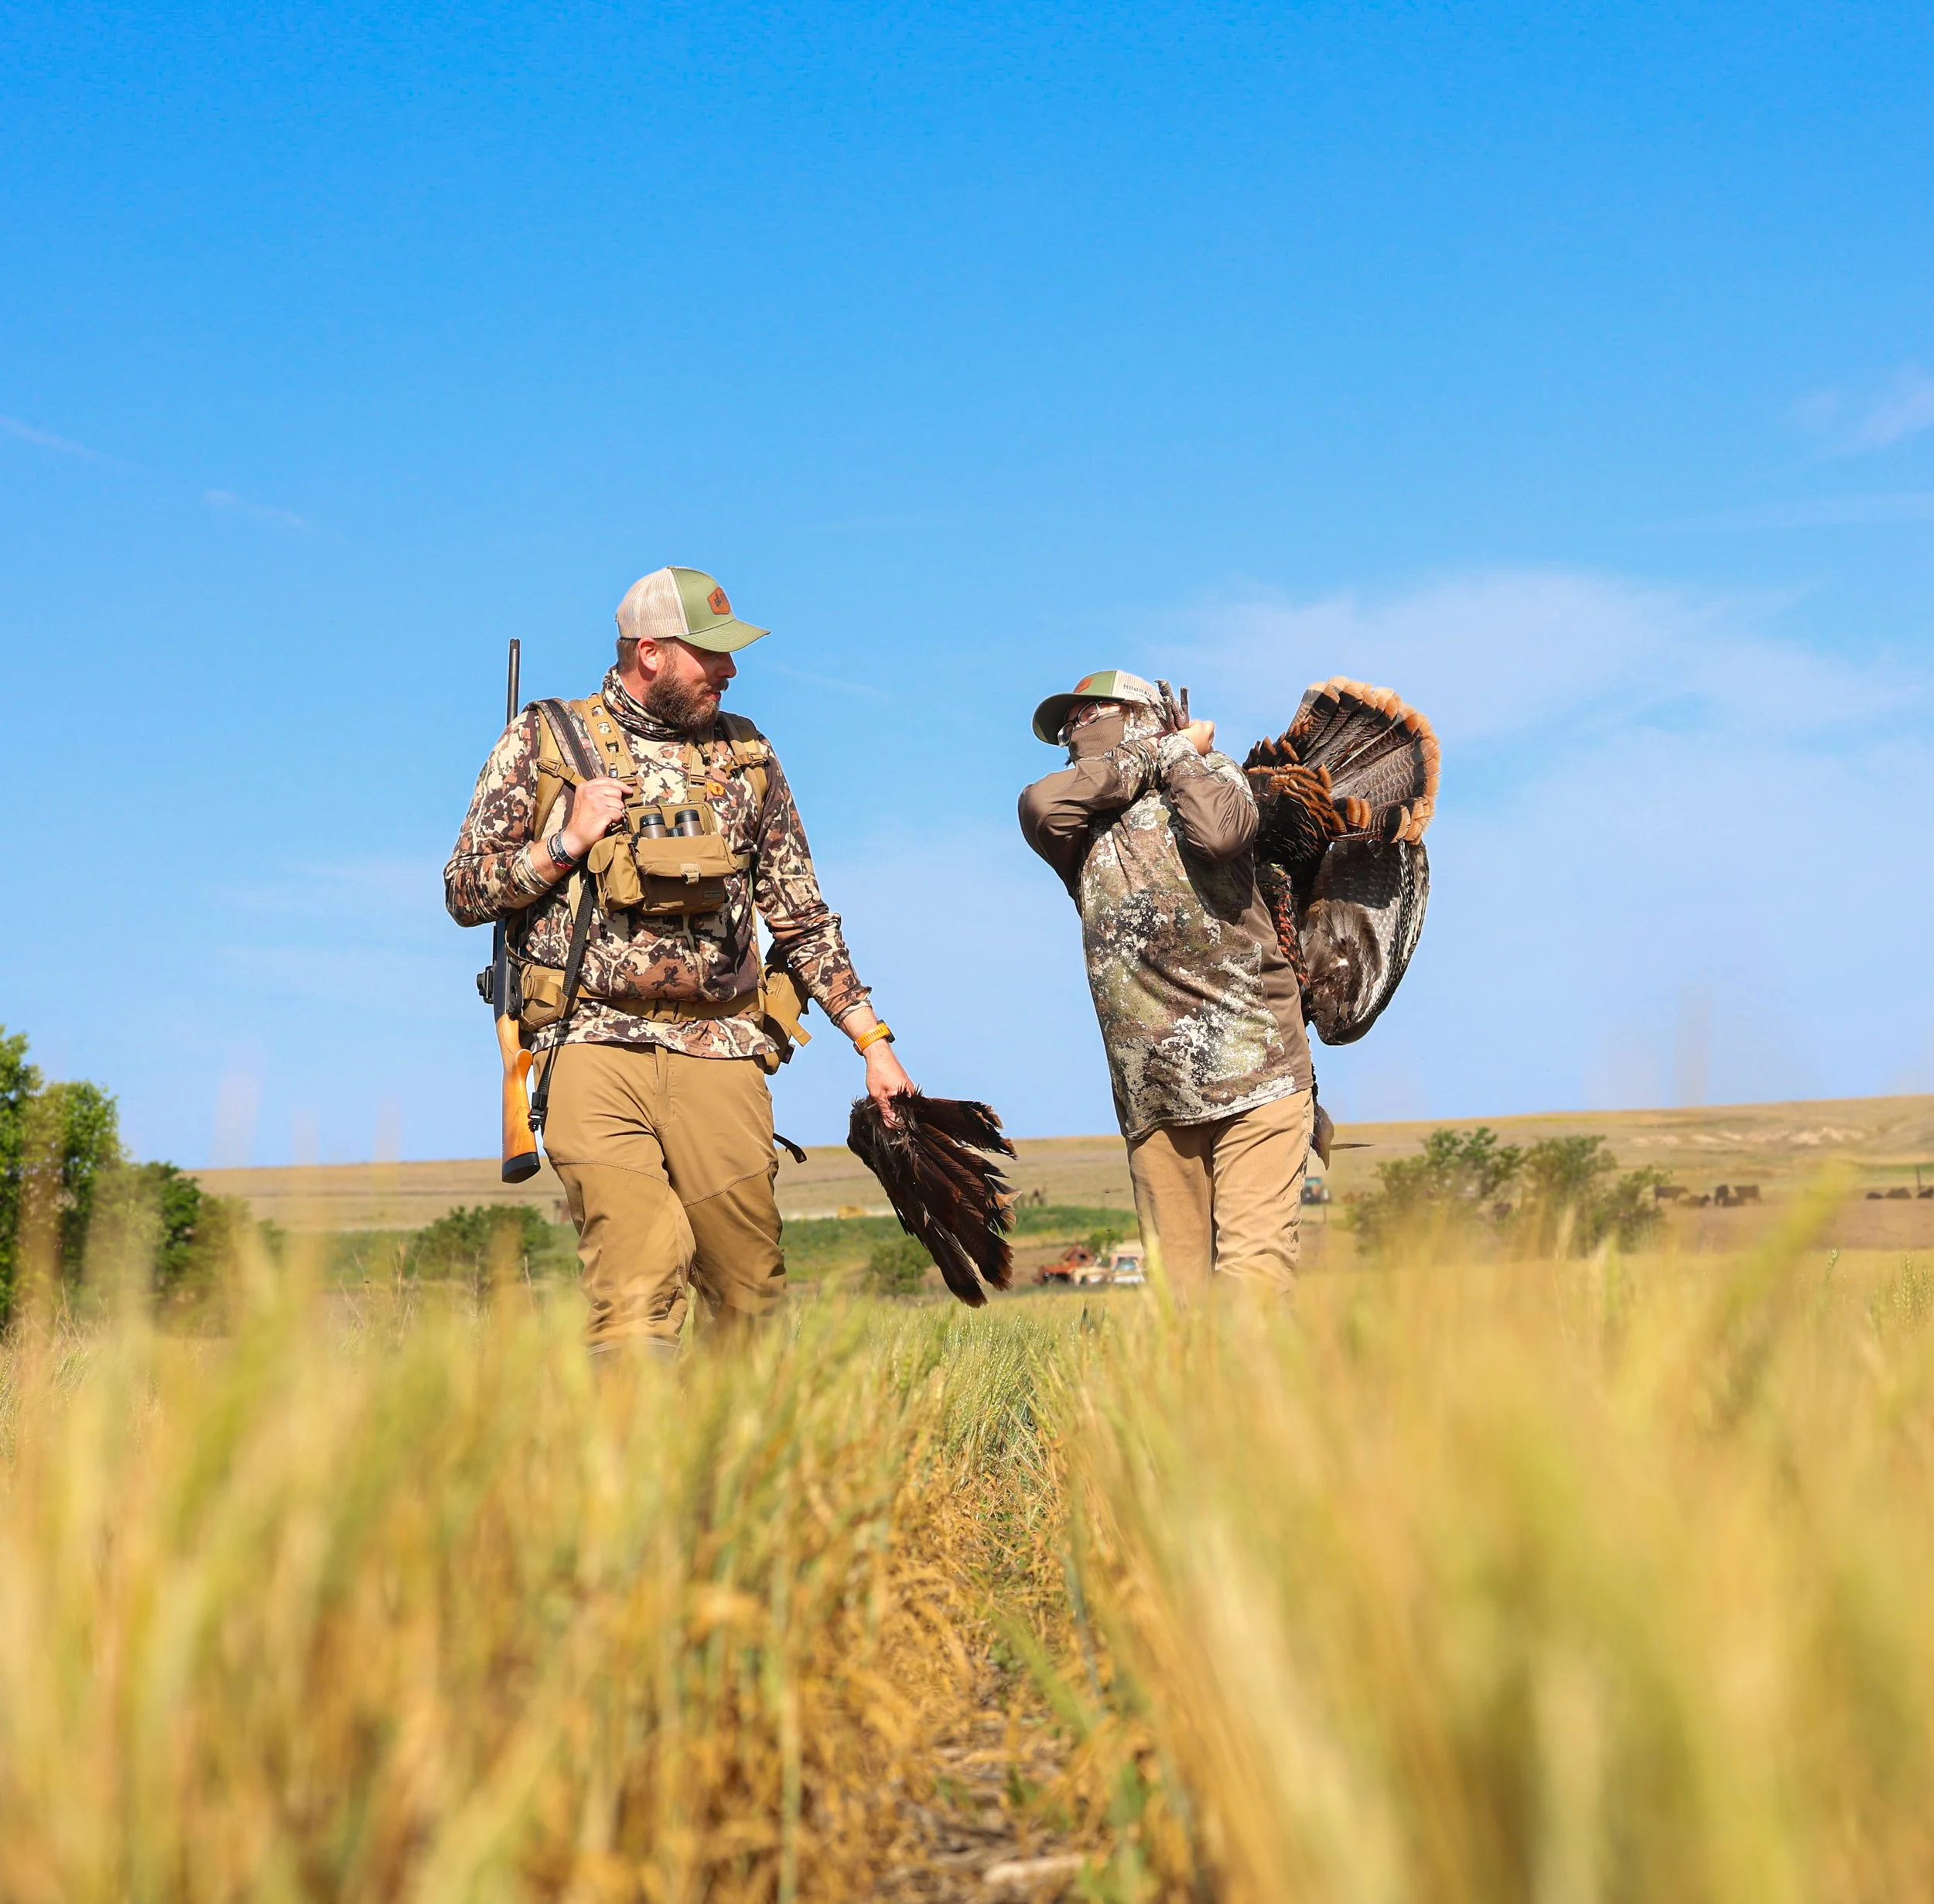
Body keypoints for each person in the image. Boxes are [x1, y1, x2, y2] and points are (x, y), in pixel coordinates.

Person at [446, 566, 912, 1353]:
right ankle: (636, 1473)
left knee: (750, 1295)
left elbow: (800, 916)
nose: (730, 671)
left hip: (723, 1051)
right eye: (712, 655)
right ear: (652, 652)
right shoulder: (546, 740)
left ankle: (731, 1471)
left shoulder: (748, 753)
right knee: (640, 1276)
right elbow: (466, 889)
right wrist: (562, 844)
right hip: (589, 1044)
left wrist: (874, 1045)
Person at [1018, 670, 1314, 1299]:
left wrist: (1182, 755)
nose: (1075, 733)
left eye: (1090, 716)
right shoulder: (1080, 830)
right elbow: (1042, 804)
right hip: (1155, 1099)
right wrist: (1159, 750)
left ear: (1138, 713)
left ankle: (1270, 1402)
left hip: (1259, 1079)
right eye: (1069, 727)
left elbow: (1218, 834)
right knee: (1181, 1305)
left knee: (1252, 1285)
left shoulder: (1216, 778)